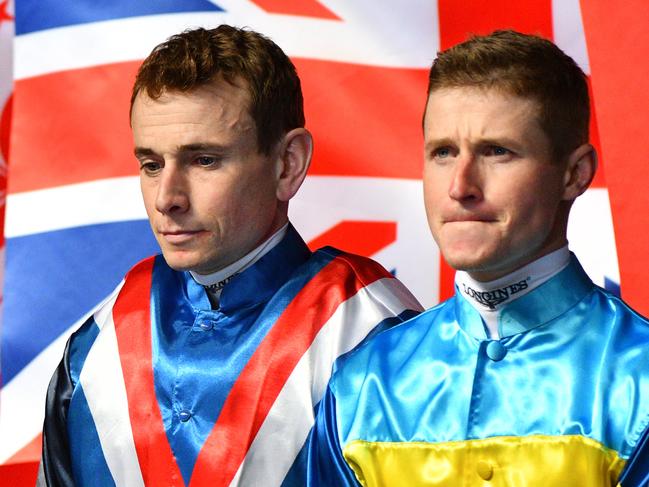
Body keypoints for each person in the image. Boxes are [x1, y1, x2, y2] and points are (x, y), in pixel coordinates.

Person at [38, 25, 423, 486]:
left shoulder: (369, 334)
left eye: (204, 160)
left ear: (288, 164)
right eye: (151, 164)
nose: (167, 198)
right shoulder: (98, 343)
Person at [308, 30, 649, 486]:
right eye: (443, 152)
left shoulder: (639, 378)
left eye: (497, 152)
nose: (460, 186)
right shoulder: (363, 382)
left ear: (574, 174)